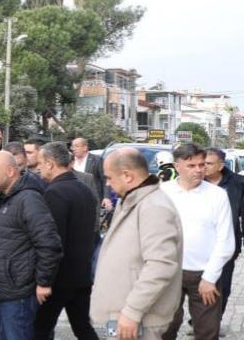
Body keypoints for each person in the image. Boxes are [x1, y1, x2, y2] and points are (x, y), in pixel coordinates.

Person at [91, 147, 182, 340]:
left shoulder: (154, 207)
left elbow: (161, 265)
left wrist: (133, 311)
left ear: (127, 176)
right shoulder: (131, 201)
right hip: (123, 314)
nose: (107, 183)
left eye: (109, 177)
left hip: (137, 319)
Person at [0, 150, 63, 340]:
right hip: (0, 294)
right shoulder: (2, 199)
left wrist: (44, 282)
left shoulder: (29, 199)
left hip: (18, 296)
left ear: (10, 171)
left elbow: (49, 243)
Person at [160, 144, 234, 340]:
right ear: (177, 167)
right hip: (169, 271)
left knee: (207, 331)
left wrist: (210, 277)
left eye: (202, 165)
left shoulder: (217, 195)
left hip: (205, 274)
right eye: (191, 165)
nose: (199, 170)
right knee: (164, 328)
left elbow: (225, 240)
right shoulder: (162, 192)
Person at [35, 142, 100, 340]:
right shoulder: (84, 189)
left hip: (59, 279)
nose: (37, 167)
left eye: (40, 163)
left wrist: (44, 281)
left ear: (50, 163)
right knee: (83, 328)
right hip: (81, 275)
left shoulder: (55, 193)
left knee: (39, 329)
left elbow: (53, 241)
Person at [204, 147, 244, 326]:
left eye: (208, 163)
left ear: (220, 165)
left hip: (227, 244)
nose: (203, 167)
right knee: (197, 285)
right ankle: (199, 318)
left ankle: (214, 320)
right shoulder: (196, 182)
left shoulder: (238, 183)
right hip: (198, 245)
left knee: (224, 286)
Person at [71, 138, 110, 211]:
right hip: (74, 200)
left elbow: (105, 179)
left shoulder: (97, 160)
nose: (73, 149)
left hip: (92, 199)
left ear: (85, 147)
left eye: (76, 146)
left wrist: (106, 197)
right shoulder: (70, 161)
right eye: (72, 147)